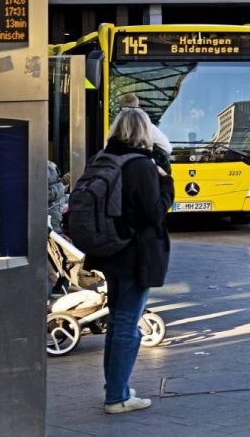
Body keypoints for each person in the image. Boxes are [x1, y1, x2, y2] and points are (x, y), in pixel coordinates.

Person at [84, 107, 174, 414]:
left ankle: (117, 388)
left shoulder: (103, 159)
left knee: (117, 320)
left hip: (109, 251)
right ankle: (117, 398)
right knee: (126, 323)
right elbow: (154, 214)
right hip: (136, 254)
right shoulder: (140, 166)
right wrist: (166, 185)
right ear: (144, 133)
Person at [119, 93, 172, 175]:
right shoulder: (148, 127)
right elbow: (167, 148)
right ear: (138, 107)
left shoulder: (115, 129)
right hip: (145, 171)